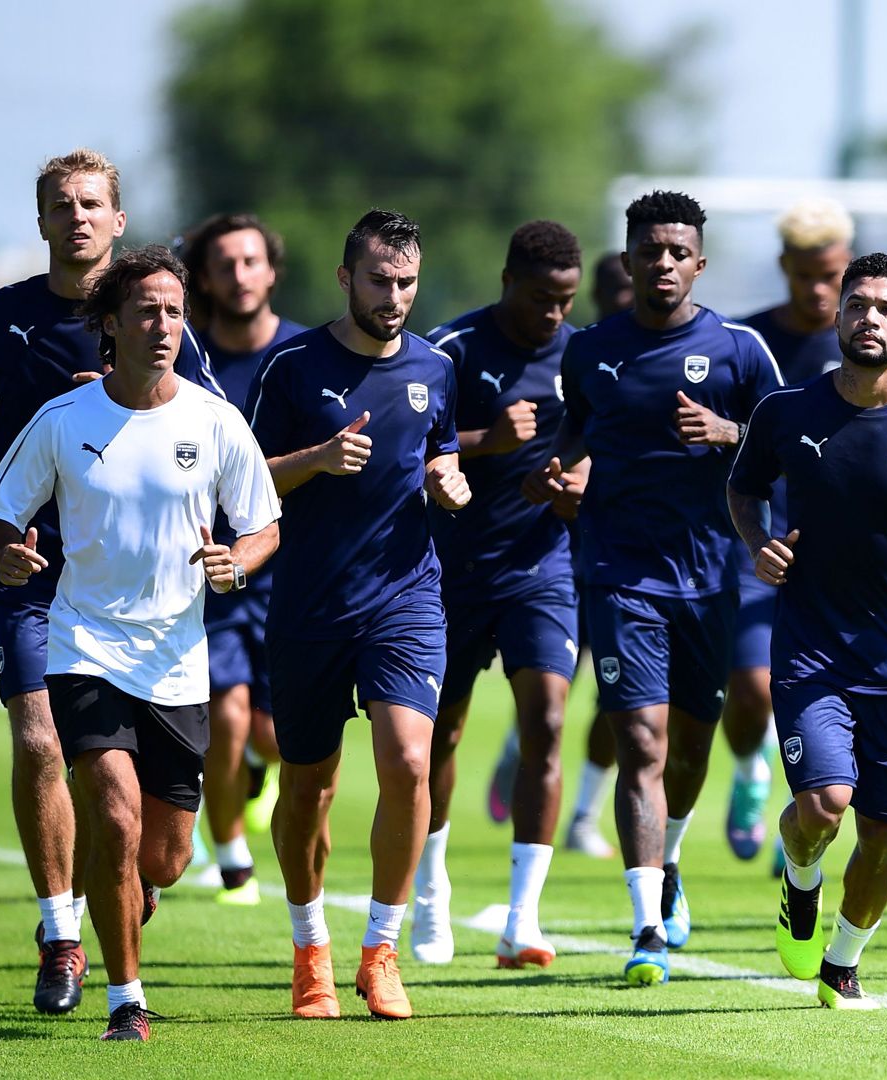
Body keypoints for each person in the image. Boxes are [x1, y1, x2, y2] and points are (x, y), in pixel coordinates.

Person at [0, 148, 219, 1015]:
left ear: (119, 219)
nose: (79, 218)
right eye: (62, 205)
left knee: (150, 840)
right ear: (42, 222)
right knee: (37, 742)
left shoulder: (157, 318)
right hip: (26, 560)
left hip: (133, 581)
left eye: (93, 204)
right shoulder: (2, 315)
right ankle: (61, 933)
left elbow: (203, 426)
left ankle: (124, 893)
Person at [0, 245, 281, 1041]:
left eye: (175, 312)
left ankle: (122, 897)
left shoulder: (216, 422)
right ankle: (125, 1001)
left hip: (178, 661)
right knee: (111, 817)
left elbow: (265, 525)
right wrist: (7, 553)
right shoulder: (64, 419)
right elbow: (1, 515)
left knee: (164, 860)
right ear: (110, 325)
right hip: (85, 646)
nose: (163, 325)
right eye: (146, 311)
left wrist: (235, 563)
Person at [523, 190, 782, 985]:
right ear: (628, 259)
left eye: (679, 252)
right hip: (618, 571)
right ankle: (646, 928)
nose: (664, 264)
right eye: (651, 251)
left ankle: (669, 864)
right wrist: (558, 473)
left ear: (698, 264)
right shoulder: (592, 349)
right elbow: (575, 431)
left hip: (711, 578)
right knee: (641, 739)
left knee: (692, 747)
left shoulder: (739, 351)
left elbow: (791, 443)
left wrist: (730, 432)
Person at [731, 252, 887, 1008]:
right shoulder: (786, 412)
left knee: (883, 834)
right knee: (825, 804)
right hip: (809, 647)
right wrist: (758, 547)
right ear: (838, 316)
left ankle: (842, 962)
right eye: (857, 305)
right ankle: (800, 876)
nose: (868, 317)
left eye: (885, 308)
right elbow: (742, 488)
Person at [247, 209, 471, 1019]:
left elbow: (439, 449)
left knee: (411, 761)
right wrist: (315, 458)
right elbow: (246, 482)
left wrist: (452, 480)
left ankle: (381, 951)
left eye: (407, 281)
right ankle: (310, 948)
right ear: (346, 277)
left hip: (406, 595)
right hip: (310, 603)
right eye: (379, 279)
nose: (395, 296)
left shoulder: (437, 368)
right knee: (308, 788)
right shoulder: (292, 364)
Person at [412, 221, 585, 967]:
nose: (554, 314)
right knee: (438, 734)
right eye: (543, 298)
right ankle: (429, 893)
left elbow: (599, 445)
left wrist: (577, 485)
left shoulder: (585, 356)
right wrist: (486, 443)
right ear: (508, 278)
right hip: (448, 571)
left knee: (546, 720)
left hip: (542, 567)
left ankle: (523, 917)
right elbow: (402, 449)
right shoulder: (452, 350)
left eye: (566, 300)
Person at [181, 212, 307, 904]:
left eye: (251, 261)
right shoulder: (185, 358)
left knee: (275, 733)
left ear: (271, 270)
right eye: (225, 264)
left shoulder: (305, 354)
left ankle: (255, 776)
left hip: (293, 566)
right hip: (216, 567)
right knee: (225, 713)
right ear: (204, 277)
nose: (239, 275)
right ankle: (231, 856)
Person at [727, 197, 853, 862]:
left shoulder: (863, 348)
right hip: (755, 545)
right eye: (807, 275)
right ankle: (750, 768)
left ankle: (799, 806)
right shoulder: (747, 343)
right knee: (750, 692)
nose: (820, 289)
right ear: (785, 266)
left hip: (835, 556)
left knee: (824, 694)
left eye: (831, 274)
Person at [553, 249, 637, 861]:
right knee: (555, 696)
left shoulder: (672, 362)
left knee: (617, 701)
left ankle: (583, 813)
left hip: (624, 562)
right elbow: (564, 441)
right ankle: (530, 761)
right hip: (564, 556)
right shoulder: (584, 357)